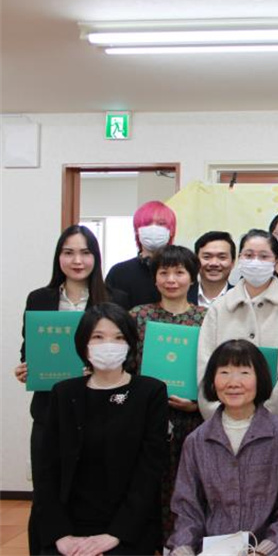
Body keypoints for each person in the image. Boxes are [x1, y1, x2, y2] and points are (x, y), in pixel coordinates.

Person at [13, 224, 128, 556]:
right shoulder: (40, 298)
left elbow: (128, 355)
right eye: (69, 252)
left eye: (85, 252)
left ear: (96, 257)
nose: (77, 260)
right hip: (51, 410)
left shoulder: (116, 298)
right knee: (47, 490)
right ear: (58, 257)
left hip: (101, 409)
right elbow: (29, 349)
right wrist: (25, 368)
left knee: (94, 489)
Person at [39, 303, 168, 555]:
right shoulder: (64, 393)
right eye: (98, 337)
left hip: (128, 525)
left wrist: (116, 534)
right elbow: (47, 469)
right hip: (70, 525)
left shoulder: (150, 392)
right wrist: (61, 535)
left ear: (130, 344)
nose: (108, 345)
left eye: (118, 338)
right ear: (83, 343)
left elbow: (150, 470)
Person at [168, 340, 278, 556]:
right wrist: (184, 548)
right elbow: (187, 509)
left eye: (244, 372)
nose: (233, 382)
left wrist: (265, 550)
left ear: (260, 379)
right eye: (224, 373)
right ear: (212, 381)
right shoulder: (197, 441)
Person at [197, 229, 278, 429]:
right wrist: (219, 415)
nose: (255, 261)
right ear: (239, 259)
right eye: (249, 255)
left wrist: (264, 420)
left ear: (276, 261)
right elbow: (205, 365)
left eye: (264, 256)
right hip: (222, 425)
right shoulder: (220, 307)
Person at [130, 245, 206, 542]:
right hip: (145, 421)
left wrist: (197, 404)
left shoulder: (207, 318)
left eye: (179, 272)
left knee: (188, 489)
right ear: (154, 278)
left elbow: (216, 370)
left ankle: (183, 544)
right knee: (145, 487)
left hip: (192, 420)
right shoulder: (138, 316)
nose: (171, 279)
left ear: (192, 277)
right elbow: (127, 367)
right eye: (164, 272)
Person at [106, 201, 177, 308]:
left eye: (161, 224)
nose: (153, 229)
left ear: (171, 231)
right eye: (147, 224)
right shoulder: (119, 272)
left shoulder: (184, 270)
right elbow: (109, 312)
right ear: (137, 231)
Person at [189, 231, 234, 308]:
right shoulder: (181, 296)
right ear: (196, 261)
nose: (214, 263)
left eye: (222, 257)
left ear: (232, 262)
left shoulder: (242, 298)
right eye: (207, 257)